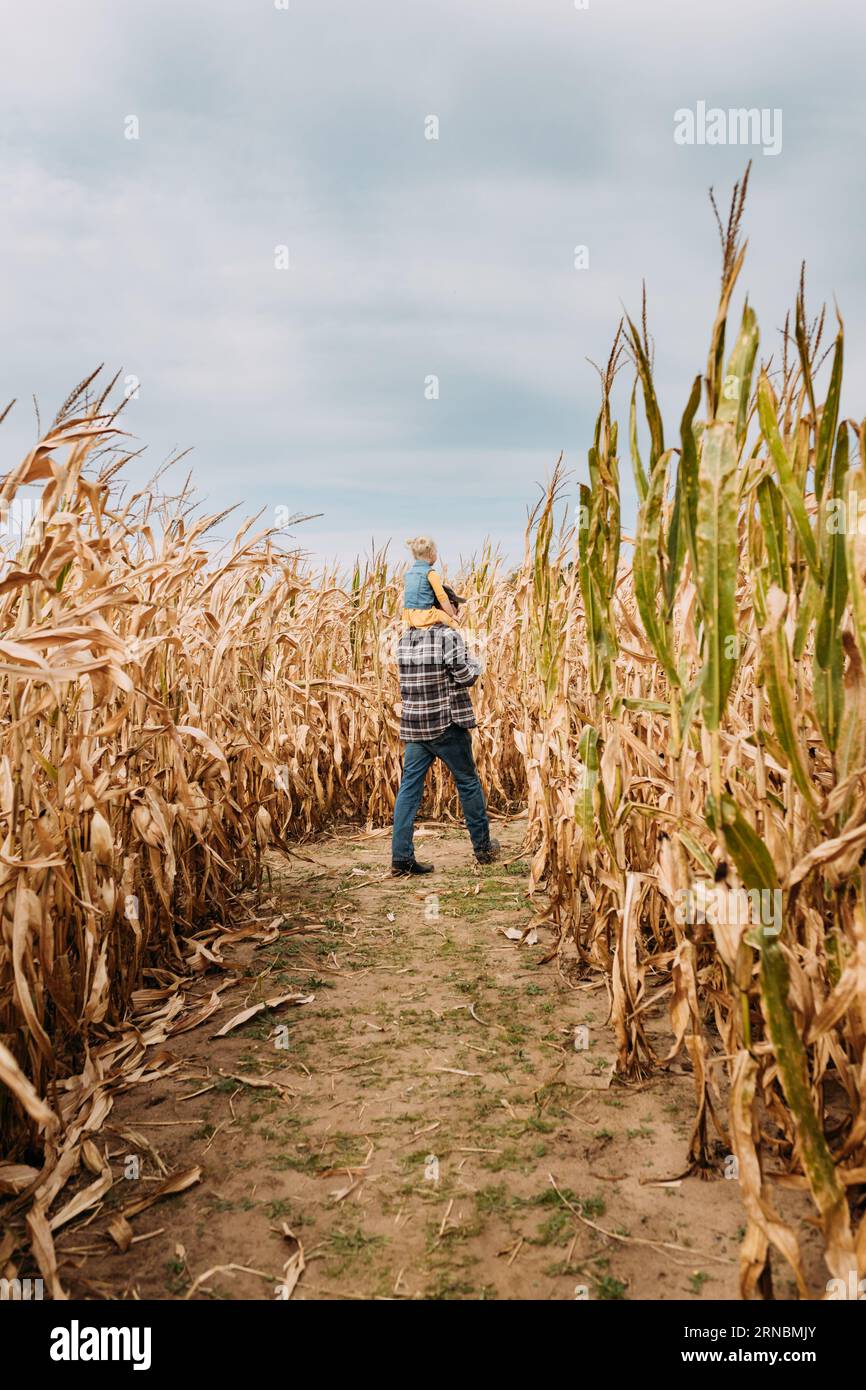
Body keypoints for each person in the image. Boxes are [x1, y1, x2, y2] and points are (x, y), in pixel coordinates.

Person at [391, 618, 500, 875]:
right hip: (446, 725)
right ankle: (483, 849)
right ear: (443, 605)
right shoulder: (447, 636)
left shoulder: (406, 637)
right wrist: (477, 663)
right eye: (454, 604)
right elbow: (465, 676)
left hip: (416, 727)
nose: (458, 610)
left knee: (409, 789)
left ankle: (401, 858)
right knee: (468, 782)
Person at [401, 536, 462, 630]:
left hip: (407, 617)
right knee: (453, 623)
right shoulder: (430, 573)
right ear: (431, 554)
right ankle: (461, 636)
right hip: (423, 616)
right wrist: (452, 615)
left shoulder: (408, 574)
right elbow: (442, 597)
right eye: (436, 552)